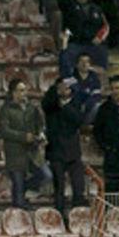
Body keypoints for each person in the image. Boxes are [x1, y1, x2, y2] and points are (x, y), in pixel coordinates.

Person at [0, 79, 49, 209]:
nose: (24, 93)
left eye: (24, 90)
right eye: (21, 90)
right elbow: (4, 131)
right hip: (15, 152)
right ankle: (19, 199)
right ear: (13, 93)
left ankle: (23, 188)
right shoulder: (5, 110)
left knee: (46, 175)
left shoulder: (32, 107)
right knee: (19, 199)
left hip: (32, 150)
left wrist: (41, 133)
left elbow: (40, 124)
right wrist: (23, 137)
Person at [42, 79, 87, 222]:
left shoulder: (76, 103)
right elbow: (46, 104)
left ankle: (78, 216)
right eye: (60, 88)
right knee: (59, 188)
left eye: (66, 88)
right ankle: (60, 217)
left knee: (78, 186)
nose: (63, 91)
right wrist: (55, 91)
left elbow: (78, 120)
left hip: (73, 152)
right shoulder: (51, 103)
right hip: (56, 152)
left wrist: (64, 106)